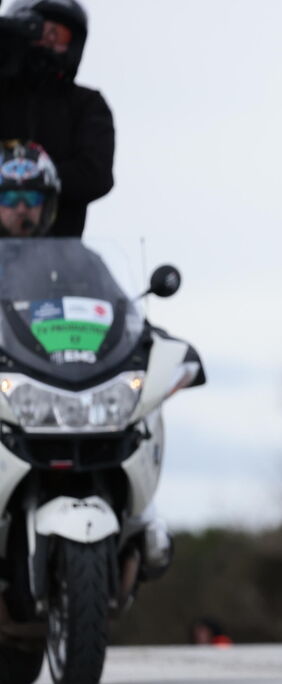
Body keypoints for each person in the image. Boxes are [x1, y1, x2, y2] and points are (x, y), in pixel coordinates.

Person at [0, 139, 173, 577]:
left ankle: (142, 518)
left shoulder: (81, 263)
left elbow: (122, 311)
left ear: (50, 203)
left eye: (32, 198)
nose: (22, 209)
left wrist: (150, 337)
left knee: (142, 413)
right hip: (13, 388)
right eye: (10, 197)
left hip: (72, 393)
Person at [0, 0, 114, 237]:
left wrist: (44, 177)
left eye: (60, 35)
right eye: (42, 30)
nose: (51, 40)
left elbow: (97, 174)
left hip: (59, 259)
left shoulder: (86, 105)